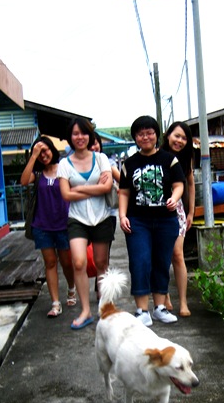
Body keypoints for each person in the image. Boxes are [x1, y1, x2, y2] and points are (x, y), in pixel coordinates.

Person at [118, 115, 185, 326]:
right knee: (140, 261)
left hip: (166, 220)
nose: (145, 137)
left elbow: (179, 185)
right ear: (135, 138)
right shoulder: (129, 163)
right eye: (140, 134)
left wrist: (174, 198)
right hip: (138, 221)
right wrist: (122, 215)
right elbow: (124, 192)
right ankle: (141, 310)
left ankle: (160, 308)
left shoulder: (169, 160)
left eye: (149, 133)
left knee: (162, 262)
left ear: (156, 135)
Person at [57, 118, 114, 330]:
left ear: (89, 135)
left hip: (101, 217)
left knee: (101, 263)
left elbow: (106, 187)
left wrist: (78, 189)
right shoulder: (64, 164)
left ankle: (105, 308)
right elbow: (65, 195)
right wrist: (93, 189)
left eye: (83, 133)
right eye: (75, 134)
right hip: (77, 219)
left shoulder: (101, 159)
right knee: (79, 262)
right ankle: (85, 311)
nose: (79, 137)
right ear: (70, 137)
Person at [20, 136, 76, 318]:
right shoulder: (37, 174)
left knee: (66, 262)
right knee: (50, 263)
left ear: (52, 149)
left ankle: (71, 288)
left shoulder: (64, 168)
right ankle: (55, 303)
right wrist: (33, 156)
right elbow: (23, 181)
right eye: (39, 153)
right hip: (42, 226)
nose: (43, 155)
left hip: (64, 224)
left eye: (45, 151)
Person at [160, 121, 196, 317]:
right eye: (177, 136)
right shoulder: (158, 155)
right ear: (168, 136)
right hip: (157, 210)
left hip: (178, 210)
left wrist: (191, 212)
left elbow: (190, 184)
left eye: (184, 138)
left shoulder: (185, 159)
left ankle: (183, 302)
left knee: (177, 254)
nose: (179, 141)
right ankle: (165, 295)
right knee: (162, 255)